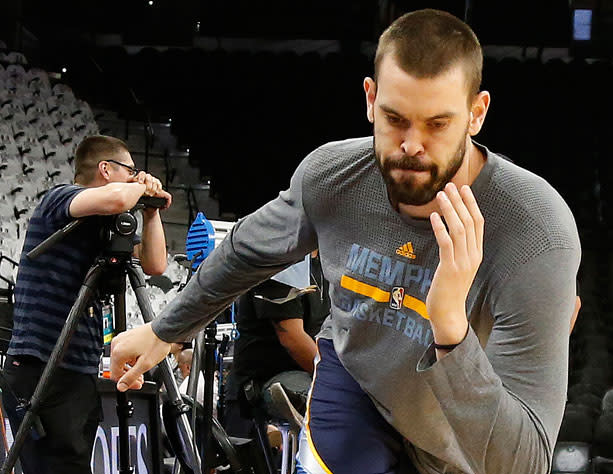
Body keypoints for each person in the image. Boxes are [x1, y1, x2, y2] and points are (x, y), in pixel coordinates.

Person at [110, 9, 580, 474]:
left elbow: (525, 461)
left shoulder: (535, 231)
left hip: (453, 423)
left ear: (476, 114)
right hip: (356, 381)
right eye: (396, 119)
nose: (411, 145)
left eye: (437, 124)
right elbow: (243, 253)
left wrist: (450, 327)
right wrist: (163, 330)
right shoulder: (332, 177)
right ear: (370, 99)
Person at [1, 135, 171, 474]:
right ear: (105, 169)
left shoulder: (106, 225)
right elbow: (117, 198)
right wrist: (142, 186)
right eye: (130, 170)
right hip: (41, 365)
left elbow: (155, 265)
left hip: (79, 369)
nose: (135, 176)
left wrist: (151, 212)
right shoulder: (60, 198)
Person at [223, 250, 330, 438]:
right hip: (270, 377)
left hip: (309, 369)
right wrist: (337, 379)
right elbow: (292, 339)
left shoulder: (330, 259)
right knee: (340, 403)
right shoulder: (285, 257)